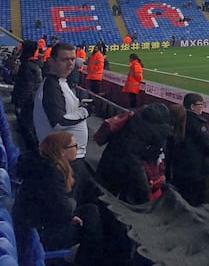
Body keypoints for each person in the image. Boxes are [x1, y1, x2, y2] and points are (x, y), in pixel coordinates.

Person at [13, 131, 104, 266]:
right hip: (39, 231)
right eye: (74, 146)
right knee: (90, 220)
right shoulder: (51, 172)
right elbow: (61, 207)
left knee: (90, 212)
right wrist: (70, 215)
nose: (77, 149)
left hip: (33, 223)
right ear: (62, 151)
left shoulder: (42, 164)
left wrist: (70, 213)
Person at [34, 42, 96, 203]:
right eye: (64, 59)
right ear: (52, 61)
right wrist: (86, 111)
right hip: (63, 161)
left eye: (73, 59)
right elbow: (59, 122)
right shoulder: (52, 87)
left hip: (68, 158)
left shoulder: (60, 83)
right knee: (67, 206)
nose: (70, 63)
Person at [96, 103, 172, 204]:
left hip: (110, 162)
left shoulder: (132, 119)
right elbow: (139, 159)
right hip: (130, 170)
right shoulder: (159, 132)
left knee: (102, 195)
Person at [167, 93, 209, 206]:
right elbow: (207, 142)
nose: (202, 107)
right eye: (201, 104)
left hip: (179, 169)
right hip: (194, 170)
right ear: (192, 106)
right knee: (194, 200)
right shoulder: (195, 122)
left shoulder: (178, 118)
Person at [12, 39, 43, 148]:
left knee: (27, 127)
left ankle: (33, 151)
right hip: (30, 101)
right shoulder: (30, 64)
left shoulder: (28, 66)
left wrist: (20, 102)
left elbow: (27, 87)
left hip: (29, 102)